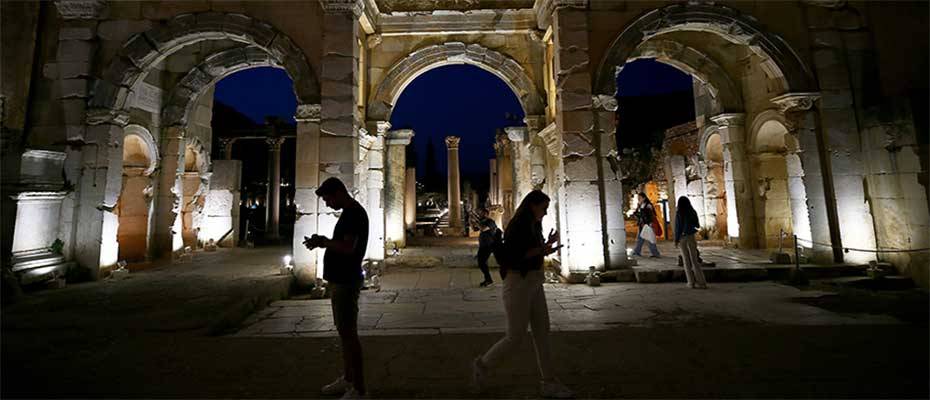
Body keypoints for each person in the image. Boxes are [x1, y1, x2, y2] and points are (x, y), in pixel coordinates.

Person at [472, 190, 574, 399]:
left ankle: (549, 381)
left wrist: (546, 245)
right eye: (543, 208)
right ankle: (482, 364)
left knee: (542, 332)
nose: (545, 213)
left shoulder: (534, 224)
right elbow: (517, 254)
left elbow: (533, 249)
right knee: (516, 336)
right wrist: (544, 248)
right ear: (532, 206)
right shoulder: (518, 225)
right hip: (518, 283)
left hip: (534, 281)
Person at [303, 178, 370, 399]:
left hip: (346, 280)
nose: (327, 204)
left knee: (349, 335)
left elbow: (348, 246)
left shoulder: (353, 214)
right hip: (341, 280)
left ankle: (359, 390)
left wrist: (323, 242)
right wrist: (323, 242)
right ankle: (348, 379)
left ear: (339, 192)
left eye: (328, 198)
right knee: (344, 333)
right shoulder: (350, 212)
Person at [674, 196, 707, 289]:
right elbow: (697, 225)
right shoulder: (692, 212)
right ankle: (702, 282)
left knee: (686, 260)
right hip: (691, 237)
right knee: (694, 260)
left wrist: (676, 240)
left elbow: (678, 227)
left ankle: (691, 282)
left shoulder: (679, 213)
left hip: (682, 238)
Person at [476, 208, 499, 287]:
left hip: (488, 245)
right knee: (481, 262)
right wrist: (471, 222)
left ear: (486, 214)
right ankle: (488, 279)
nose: (480, 214)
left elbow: (483, 228)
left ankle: (489, 280)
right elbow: (475, 229)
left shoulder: (490, 222)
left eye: (481, 213)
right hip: (483, 245)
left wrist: (477, 222)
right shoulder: (482, 221)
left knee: (482, 262)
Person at [632, 192, 661, 257]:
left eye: (640, 198)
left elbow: (652, 215)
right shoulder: (639, 205)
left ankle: (655, 253)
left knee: (649, 239)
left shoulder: (648, 205)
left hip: (647, 224)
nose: (639, 199)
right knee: (640, 238)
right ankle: (637, 251)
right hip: (641, 224)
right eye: (638, 198)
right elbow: (638, 213)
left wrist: (650, 223)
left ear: (644, 198)